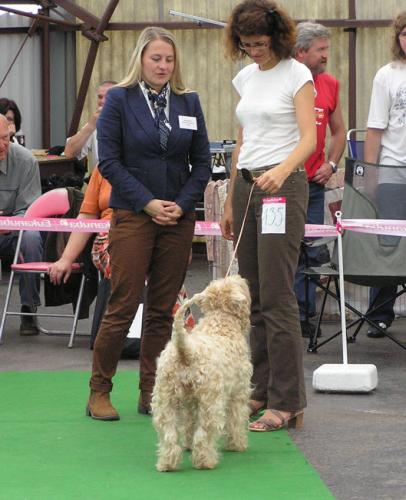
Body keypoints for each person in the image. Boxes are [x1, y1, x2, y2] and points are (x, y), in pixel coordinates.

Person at [85, 26, 211, 421]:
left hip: (178, 218)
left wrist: (181, 205)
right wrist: (147, 203)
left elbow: (202, 163)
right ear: (140, 59)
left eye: (169, 59)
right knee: (122, 306)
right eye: (156, 58)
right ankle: (99, 391)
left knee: (161, 311)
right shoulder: (119, 100)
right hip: (133, 216)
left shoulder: (189, 101)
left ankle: (151, 392)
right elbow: (108, 162)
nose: (163, 65)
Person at [221, 0, 316, 432]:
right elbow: (243, 140)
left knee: (278, 296)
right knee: (253, 295)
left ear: (277, 37)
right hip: (246, 186)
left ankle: (288, 400)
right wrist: (229, 199)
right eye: (246, 44)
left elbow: (309, 138)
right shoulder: (245, 77)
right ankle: (260, 389)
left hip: (283, 186)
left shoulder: (298, 74)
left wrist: (281, 170)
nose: (254, 51)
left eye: (260, 43)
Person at [293, 22, 346, 338]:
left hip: (313, 184)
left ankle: (303, 316)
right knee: (286, 251)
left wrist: (331, 163)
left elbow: (339, 132)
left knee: (310, 250)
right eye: (320, 50)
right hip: (282, 183)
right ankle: (283, 317)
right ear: (301, 52)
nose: (326, 55)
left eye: (327, 48)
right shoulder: (283, 82)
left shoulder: (330, 84)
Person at [364, 11, 406, 338]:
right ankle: (379, 314)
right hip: (393, 170)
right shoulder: (387, 76)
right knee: (388, 246)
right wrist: (370, 176)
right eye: (405, 33)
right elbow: (375, 130)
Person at [0, 114, 43, 335]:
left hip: (13, 231)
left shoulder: (26, 161)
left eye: (5, 138)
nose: (2, 145)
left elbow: (31, 211)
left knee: (32, 236)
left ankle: (28, 308)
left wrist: (10, 222)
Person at [64, 80, 116, 170]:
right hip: (101, 177)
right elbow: (69, 152)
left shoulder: (131, 121)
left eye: (109, 97)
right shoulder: (95, 124)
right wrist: (91, 125)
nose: (103, 101)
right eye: (100, 97)